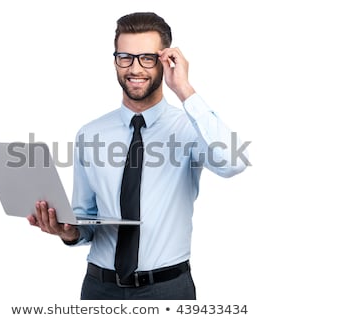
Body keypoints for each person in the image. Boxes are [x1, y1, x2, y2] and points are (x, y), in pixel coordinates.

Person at [27, 12, 249, 300]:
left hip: (168, 289)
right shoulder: (90, 134)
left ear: (165, 60)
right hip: (99, 288)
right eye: (126, 57)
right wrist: (67, 231)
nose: (135, 68)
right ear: (115, 60)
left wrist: (184, 89)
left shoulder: (190, 128)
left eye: (147, 57)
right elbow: (86, 219)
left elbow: (233, 162)